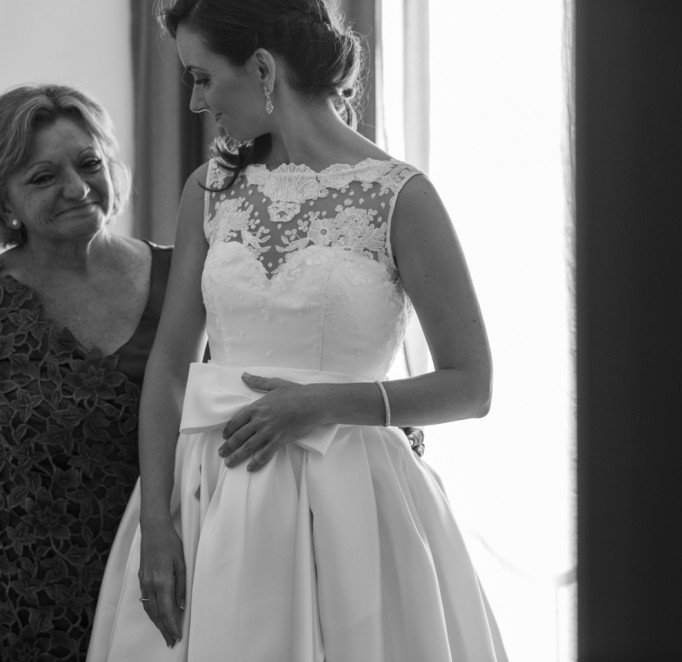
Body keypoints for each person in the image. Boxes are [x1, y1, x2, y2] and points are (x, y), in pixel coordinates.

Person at [90, 0, 508, 660]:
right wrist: (156, 524)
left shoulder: (402, 197)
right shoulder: (210, 190)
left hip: (355, 503)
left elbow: (472, 385)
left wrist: (322, 403)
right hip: (213, 495)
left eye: (201, 77)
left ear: (261, 68)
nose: (196, 102)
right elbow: (170, 369)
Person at [0, 84, 172, 660]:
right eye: (42, 177)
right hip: (24, 606)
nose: (77, 189)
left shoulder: (187, 279)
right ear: (4, 203)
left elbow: (256, 377)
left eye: (89, 163)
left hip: (170, 586)